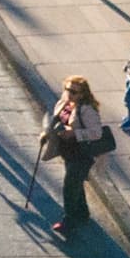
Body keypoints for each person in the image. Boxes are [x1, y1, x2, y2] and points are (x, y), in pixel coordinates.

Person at [43, 76, 114, 241]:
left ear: (82, 94)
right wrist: (47, 133)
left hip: (82, 154)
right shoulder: (64, 103)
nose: (69, 94)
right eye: (67, 89)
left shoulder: (87, 110)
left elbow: (97, 132)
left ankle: (69, 221)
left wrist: (74, 133)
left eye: (74, 92)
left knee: (70, 186)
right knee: (76, 182)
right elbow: (54, 119)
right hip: (68, 151)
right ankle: (82, 213)